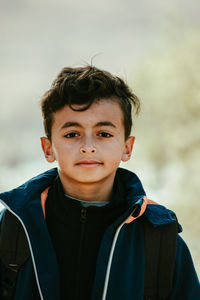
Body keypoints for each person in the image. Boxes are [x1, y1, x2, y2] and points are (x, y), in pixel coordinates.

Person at [0, 65, 199, 300]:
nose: (88, 146)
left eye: (104, 134)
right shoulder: (12, 228)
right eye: (72, 134)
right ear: (48, 149)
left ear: (127, 147)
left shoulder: (159, 239)